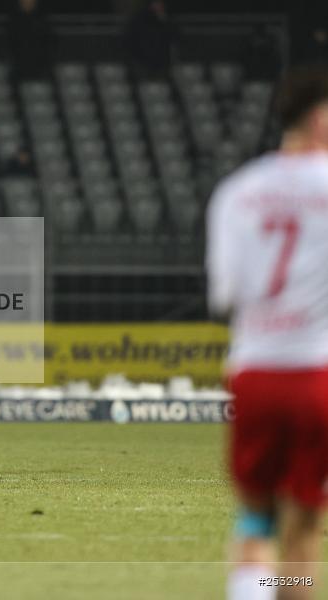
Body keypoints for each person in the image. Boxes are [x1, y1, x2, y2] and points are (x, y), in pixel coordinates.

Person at [206, 67, 328, 600]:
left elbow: (226, 293)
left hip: (254, 372)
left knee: (255, 519)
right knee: (300, 533)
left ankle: (251, 590)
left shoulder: (238, 191)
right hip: (315, 375)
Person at [125, 0, 178, 79]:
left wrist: (165, 21)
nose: (159, 6)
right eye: (156, 3)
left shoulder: (167, 20)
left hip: (162, 64)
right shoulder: (138, 20)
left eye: (161, 4)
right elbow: (129, 40)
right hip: (141, 63)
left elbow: (175, 37)